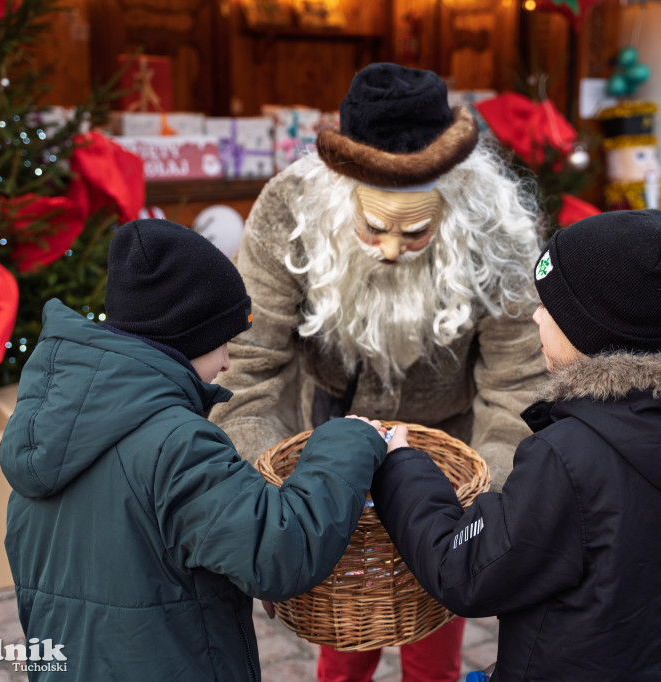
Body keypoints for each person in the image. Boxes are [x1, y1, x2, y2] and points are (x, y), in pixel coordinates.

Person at [209, 62, 547, 682]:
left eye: (415, 232)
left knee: (434, 637)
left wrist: (480, 501)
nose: (391, 250)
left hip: (447, 454)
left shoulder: (495, 226)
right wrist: (273, 494)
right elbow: (247, 367)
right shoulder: (289, 209)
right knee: (343, 635)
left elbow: (517, 384)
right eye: (373, 227)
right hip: (328, 440)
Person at [0, 218, 389, 681]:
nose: (226, 362)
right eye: (222, 342)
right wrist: (350, 437)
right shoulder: (177, 443)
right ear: (186, 338)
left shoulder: (46, 429)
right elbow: (279, 551)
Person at [371, 209, 661, 681]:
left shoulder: (568, 455)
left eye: (549, 307)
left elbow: (464, 570)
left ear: (587, 327)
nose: (535, 314)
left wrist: (402, 467)